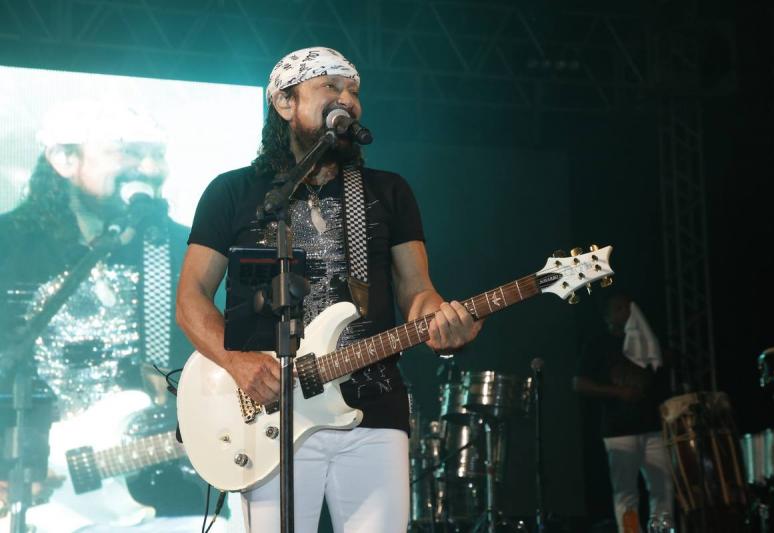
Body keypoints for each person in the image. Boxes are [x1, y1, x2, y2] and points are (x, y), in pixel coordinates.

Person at [176, 46, 483, 533]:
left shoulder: (388, 191)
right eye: (331, 87)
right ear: (285, 102)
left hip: (375, 410)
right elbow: (191, 297)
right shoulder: (233, 192)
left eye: (354, 91)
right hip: (272, 414)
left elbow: (417, 292)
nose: (349, 100)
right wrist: (236, 362)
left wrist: (444, 320)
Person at [0, 100, 222, 531]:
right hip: (33, 490)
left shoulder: (183, 249)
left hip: (164, 494)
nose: (149, 168)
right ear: (64, 159)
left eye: (157, 155)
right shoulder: (9, 243)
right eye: (129, 152)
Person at [573, 291, 674, 533]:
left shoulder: (647, 340)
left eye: (629, 307)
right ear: (607, 316)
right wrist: (617, 392)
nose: (627, 312)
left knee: (663, 488)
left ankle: (662, 529)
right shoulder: (598, 344)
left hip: (653, 427)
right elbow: (578, 383)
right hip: (619, 430)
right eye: (619, 308)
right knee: (626, 493)